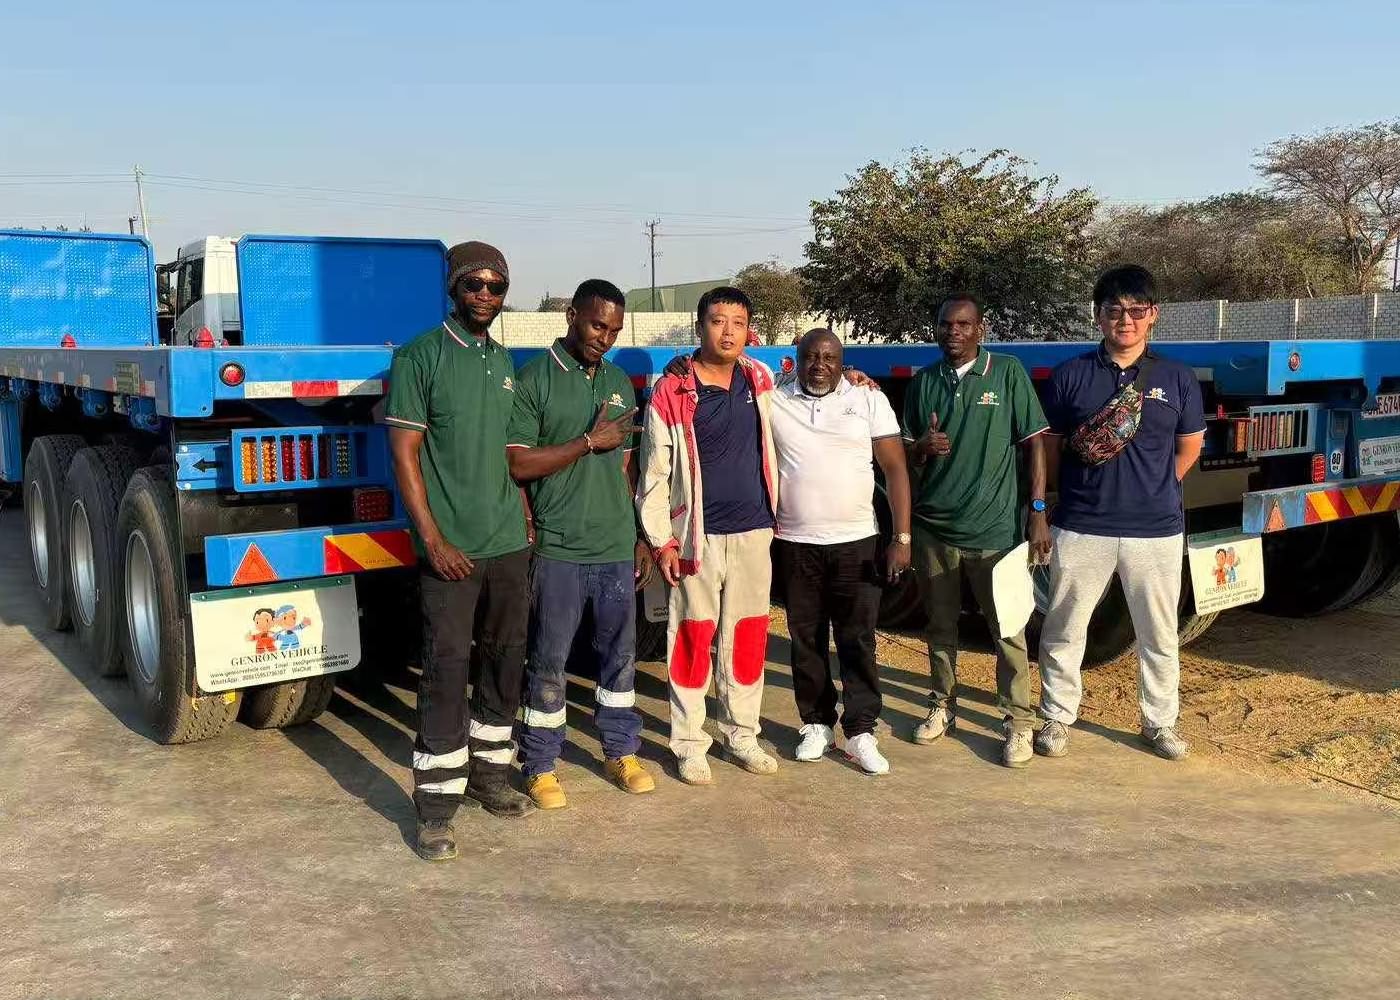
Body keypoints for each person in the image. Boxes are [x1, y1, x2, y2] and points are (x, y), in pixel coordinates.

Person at [386, 240, 534, 863]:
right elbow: (404, 454)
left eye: (496, 286)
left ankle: (490, 775)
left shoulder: (503, 360)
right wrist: (433, 538)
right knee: (446, 669)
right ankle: (436, 805)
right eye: (474, 284)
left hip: (507, 543)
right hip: (453, 548)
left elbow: (508, 452)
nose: (485, 295)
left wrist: (522, 517)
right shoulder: (421, 355)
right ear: (453, 287)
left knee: (504, 659)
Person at [1036, 265, 1205, 762]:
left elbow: (1189, 448)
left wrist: (1153, 490)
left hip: (1155, 531)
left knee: (1159, 634)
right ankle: (1056, 716)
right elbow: (1049, 450)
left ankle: (1160, 722)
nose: (1125, 320)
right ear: (1098, 316)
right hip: (1082, 525)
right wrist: (1054, 503)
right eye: (1114, 310)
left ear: (1153, 315)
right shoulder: (1071, 375)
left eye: (1136, 310)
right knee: (1065, 627)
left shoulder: (1177, 377)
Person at [506, 279, 656, 809]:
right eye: (597, 326)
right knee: (549, 660)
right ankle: (540, 763)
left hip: (614, 545)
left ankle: (621, 750)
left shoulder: (618, 382)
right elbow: (518, 463)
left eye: (614, 330)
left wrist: (639, 535)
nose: (605, 339)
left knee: (620, 658)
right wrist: (588, 441)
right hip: (560, 546)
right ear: (571, 315)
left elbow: (627, 467)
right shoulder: (534, 379)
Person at [635, 286, 780, 786]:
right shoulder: (672, 390)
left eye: (737, 323)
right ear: (700, 327)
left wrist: (855, 378)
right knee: (693, 638)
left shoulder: (760, 379)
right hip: (697, 538)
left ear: (749, 330)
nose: (728, 332)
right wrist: (662, 541)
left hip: (754, 533)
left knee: (748, 636)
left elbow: (807, 393)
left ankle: (741, 735)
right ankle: (690, 743)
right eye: (718, 322)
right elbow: (654, 475)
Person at [902, 293, 1050, 768]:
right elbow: (905, 456)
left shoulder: (1007, 373)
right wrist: (922, 447)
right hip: (934, 530)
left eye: (964, 325)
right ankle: (942, 705)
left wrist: (1038, 511)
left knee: (1007, 629)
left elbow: (1035, 445)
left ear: (980, 329)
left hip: (995, 531)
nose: (954, 333)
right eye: (946, 325)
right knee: (940, 626)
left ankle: (1018, 720)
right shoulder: (923, 382)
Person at [770, 328, 912, 774]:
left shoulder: (867, 398)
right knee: (805, 638)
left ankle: (861, 731)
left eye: (829, 358)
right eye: (810, 357)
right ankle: (816, 724)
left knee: (857, 638)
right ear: (796, 360)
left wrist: (901, 537)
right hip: (796, 543)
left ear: (841, 362)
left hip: (857, 542)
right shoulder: (774, 399)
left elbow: (895, 467)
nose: (820, 365)